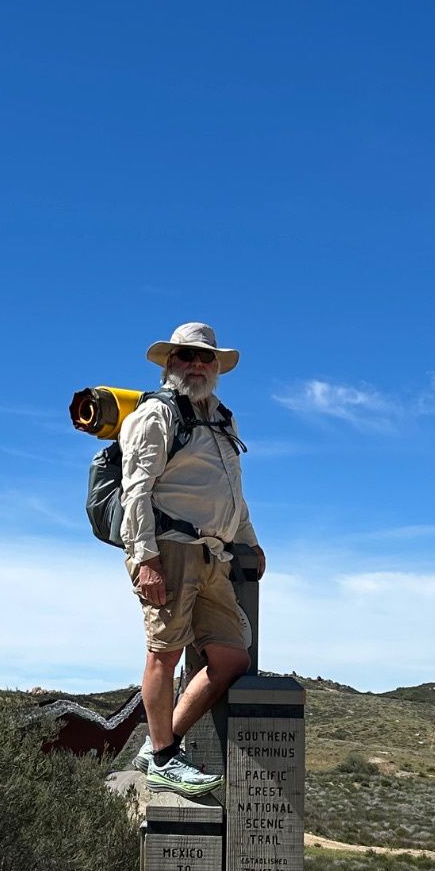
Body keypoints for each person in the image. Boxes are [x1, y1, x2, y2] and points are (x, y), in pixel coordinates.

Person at [120, 321, 265, 796]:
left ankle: (161, 745)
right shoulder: (155, 416)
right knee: (165, 653)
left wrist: (249, 539)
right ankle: (164, 757)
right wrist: (144, 558)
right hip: (169, 549)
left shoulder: (223, 418)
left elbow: (232, 493)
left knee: (231, 658)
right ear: (170, 364)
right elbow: (135, 492)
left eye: (206, 359)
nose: (198, 365)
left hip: (214, 556)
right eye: (187, 357)